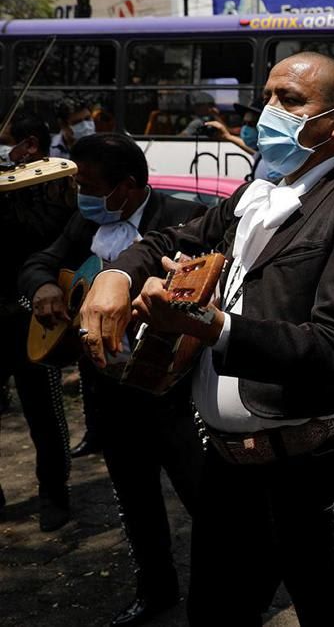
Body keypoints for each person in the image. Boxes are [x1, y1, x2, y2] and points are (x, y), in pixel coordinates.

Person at [78, 52, 334, 626]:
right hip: (227, 470)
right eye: (267, 97)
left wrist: (211, 327)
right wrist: (114, 275)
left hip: (311, 471)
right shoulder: (253, 193)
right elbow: (167, 239)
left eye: (290, 100)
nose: (267, 112)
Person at [20, 133, 206, 626]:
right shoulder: (86, 219)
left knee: (203, 497)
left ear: (126, 188)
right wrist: (42, 287)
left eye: (87, 184)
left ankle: (222, 595)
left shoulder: (184, 217)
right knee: (134, 497)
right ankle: (155, 588)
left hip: (176, 393)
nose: (79, 193)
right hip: (110, 388)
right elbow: (41, 261)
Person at [0, 115, 76, 532]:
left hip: (32, 313)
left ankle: (54, 493)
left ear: (28, 146)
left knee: (44, 412)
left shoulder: (57, 182)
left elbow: (43, 235)